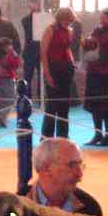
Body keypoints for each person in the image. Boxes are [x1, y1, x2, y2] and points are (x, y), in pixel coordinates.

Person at [82, 5, 108, 147]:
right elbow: (88, 44)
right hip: (94, 72)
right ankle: (98, 133)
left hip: (107, 73)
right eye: (102, 16)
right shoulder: (97, 30)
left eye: (105, 16)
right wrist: (87, 42)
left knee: (107, 107)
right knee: (94, 105)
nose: (102, 19)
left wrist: (96, 42)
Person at [40, 7, 77, 139]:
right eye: (66, 20)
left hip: (66, 70)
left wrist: (72, 64)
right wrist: (47, 73)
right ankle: (46, 136)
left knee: (64, 106)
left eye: (70, 21)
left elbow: (67, 49)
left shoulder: (69, 31)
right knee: (51, 106)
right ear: (60, 18)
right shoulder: (50, 30)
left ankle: (63, 136)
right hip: (53, 69)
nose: (68, 23)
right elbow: (43, 53)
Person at [0, 37, 21, 128]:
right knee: (11, 99)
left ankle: (2, 117)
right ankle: (3, 117)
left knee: (1, 101)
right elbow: (15, 64)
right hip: (6, 79)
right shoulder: (9, 55)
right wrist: (12, 53)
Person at [21, 2, 41, 100]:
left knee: (41, 76)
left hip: (41, 51)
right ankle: (27, 97)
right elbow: (29, 34)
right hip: (29, 51)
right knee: (27, 76)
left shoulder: (43, 19)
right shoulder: (25, 20)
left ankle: (40, 96)